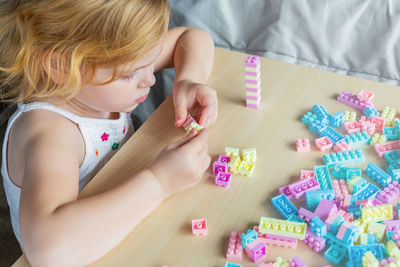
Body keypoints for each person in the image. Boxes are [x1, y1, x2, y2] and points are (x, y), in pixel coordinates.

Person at [0, 0, 217, 266]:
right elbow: (49, 252)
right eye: (129, 74)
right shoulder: (50, 133)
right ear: (60, 66)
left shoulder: (87, 78)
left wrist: (188, 79)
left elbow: (190, 37)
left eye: (152, 59)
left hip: (127, 218)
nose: (149, 79)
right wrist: (159, 182)